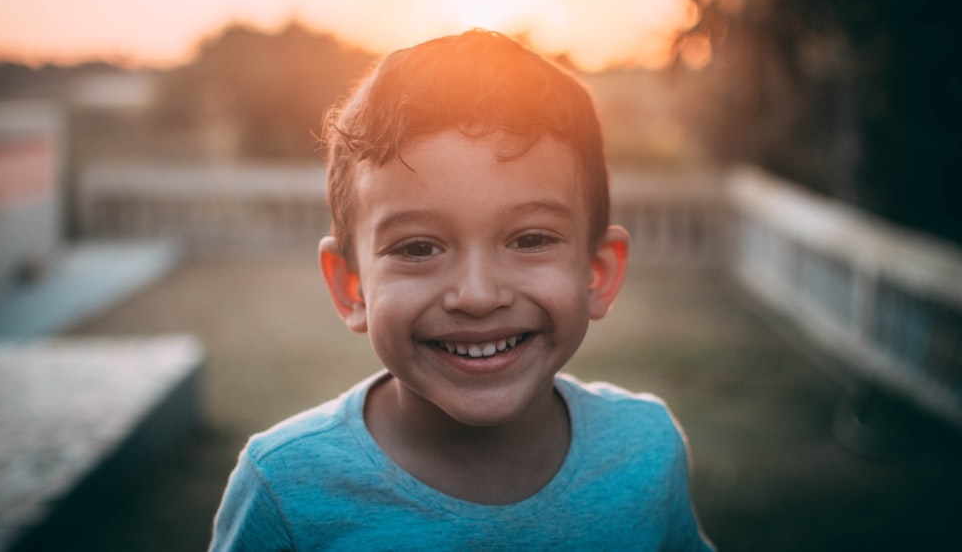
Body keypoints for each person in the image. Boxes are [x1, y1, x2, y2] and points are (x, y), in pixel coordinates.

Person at [209, 29, 715, 551]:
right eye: (418, 248)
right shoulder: (287, 491)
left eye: (530, 239)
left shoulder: (646, 452)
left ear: (598, 274)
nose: (476, 294)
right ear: (351, 285)